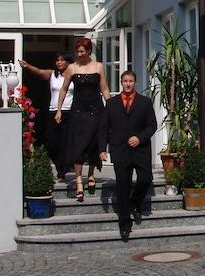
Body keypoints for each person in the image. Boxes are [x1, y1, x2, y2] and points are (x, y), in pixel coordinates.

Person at [99, 70, 157, 241]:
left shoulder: (145, 102)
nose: (128, 83)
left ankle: (136, 203)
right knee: (123, 187)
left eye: (131, 80)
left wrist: (140, 138)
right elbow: (103, 127)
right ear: (121, 82)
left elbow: (152, 125)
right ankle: (125, 224)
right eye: (125, 81)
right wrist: (102, 149)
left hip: (140, 150)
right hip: (120, 150)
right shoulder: (111, 103)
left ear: (135, 82)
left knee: (145, 179)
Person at [55, 38, 111, 202]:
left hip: (96, 110)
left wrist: (112, 107)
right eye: (77, 51)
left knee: (94, 143)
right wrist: (59, 109)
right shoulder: (72, 68)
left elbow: (105, 88)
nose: (79, 54)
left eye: (82, 51)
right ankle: (79, 180)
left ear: (88, 51)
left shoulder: (98, 66)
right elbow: (64, 89)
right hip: (78, 111)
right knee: (78, 145)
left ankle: (91, 174)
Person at [18, 52, 73, 181]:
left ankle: (62, 171)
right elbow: (39, 71)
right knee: (52, 142)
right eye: (57, 60)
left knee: (65, 142)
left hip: (69, 111)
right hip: (53, 111)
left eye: (62, 60)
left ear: (68, 62)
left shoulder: (74, 75)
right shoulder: (53, 74)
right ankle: (61, 165)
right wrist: (27, 66)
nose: (59, 62)